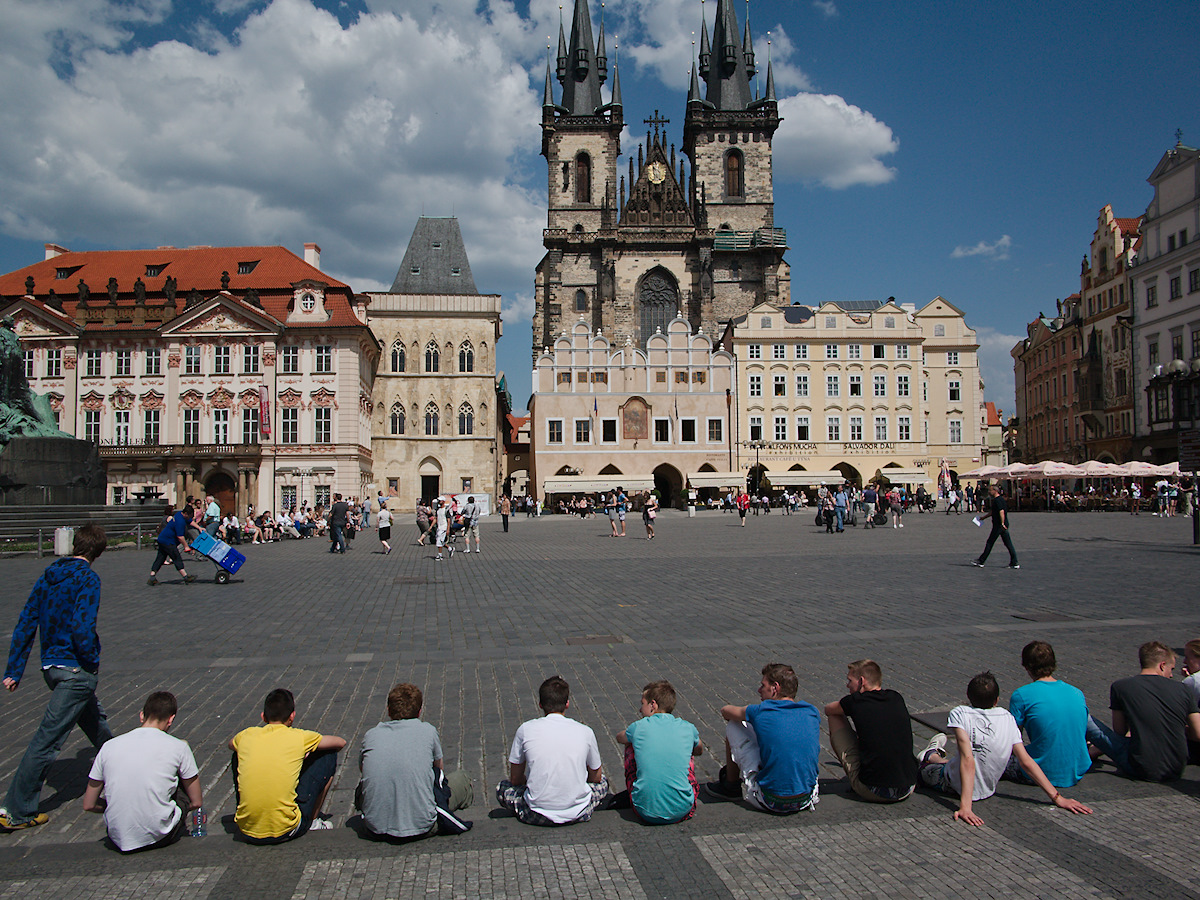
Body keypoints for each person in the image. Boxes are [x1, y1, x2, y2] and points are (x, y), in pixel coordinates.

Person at [0, 525, 113, 830]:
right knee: (47, 742)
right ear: (99, 552)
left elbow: (26, 622)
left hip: (51, 666)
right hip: (76, 670)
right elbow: (82, 626)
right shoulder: (88, 578)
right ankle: (15, 810)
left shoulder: (49, 576)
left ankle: (128, 784)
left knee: (101, 736)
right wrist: (91, 662)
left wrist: (14, 670)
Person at [918, 672, 1091, 827]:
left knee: (922, 770)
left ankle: (930, 754)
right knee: (957, 761)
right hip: (985, 788)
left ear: (969, 697)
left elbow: (968, 758)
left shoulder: (960, 713)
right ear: (997, 699)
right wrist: (1057, 798)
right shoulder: (1007, 718)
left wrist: (966, 807)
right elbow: (1026, 761)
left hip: (951, 781)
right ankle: (932, 754)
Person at [82, 691, 203, 852]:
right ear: (171, 719)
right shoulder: (179, 746)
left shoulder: (108, 746)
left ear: (141, 716)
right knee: (180, 783)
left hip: (117, 836)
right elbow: (196, 802)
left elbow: (89, 804)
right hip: (160, 836)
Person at [229, 688, 346, 843]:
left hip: (247, 830)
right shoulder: (299, 737)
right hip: (286, 830)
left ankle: (250, 813)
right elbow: (340, 742)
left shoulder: (246, 735)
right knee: (328, 755)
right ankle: (313, 820)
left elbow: (231, 744)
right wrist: (307, 751)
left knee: (237, 755)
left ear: (263, 717)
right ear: (292, 716)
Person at [357, 683, 472, 840]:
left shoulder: (371, 735)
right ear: (419, 712)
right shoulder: (428, 731)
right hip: (422, 826)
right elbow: (438, 771)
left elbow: (363, 770)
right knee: (462, 779)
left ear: (389, 711)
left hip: (375, 827)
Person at [703, 663, 820, 814]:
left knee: (734, 725)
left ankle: (730, 785)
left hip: (771, 800)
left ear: (774, 688)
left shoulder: (761, 711)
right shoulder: (811, 711)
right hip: (806, 798)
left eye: (763, 685)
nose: (759, 690)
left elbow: (726, 711)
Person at [496, 675, 609, 825]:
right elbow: (596, 777)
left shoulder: (525, 729)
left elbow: (515, 779)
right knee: (603, 782)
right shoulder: (585, 731)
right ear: (567, 703)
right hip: (578, 811)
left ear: (540, 705)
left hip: (536, 813)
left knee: (502, 788)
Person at [1085, 640, 1200, 781]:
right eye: (1172, 669)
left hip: (1139, 767)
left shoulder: (1121, 686)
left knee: (1083, 716)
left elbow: (1119, 731)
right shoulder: (1183, 689)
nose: (1171, 675)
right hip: (1175, 768)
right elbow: (1197, 733)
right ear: (1162, 666)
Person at [823, 659, 917, 803]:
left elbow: (828, 709)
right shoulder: (896, 697)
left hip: (874, 791)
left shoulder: (855, 701)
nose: (847, 685)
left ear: (862, 681)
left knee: (834, 717)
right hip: (907, 787)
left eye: (849, 681)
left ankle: (857, 781)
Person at [1004, 641, 1091, 788]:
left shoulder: (1021, 695)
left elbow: (1013, 739)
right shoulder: (1077, 692)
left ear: (1026, 667)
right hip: (1077, 770)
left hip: (1042, 771)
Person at [614, 681, 703, 824]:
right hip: (683, 809)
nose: (640, 709)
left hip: (644, 811)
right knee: (688, 751)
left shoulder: (639, 727)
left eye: (642, 704)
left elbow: (620, 737)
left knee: (630, 745)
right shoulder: (687, 727)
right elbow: (699, 749)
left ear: (653, 705)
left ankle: (645, 790)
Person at [148, 505, 198, 585]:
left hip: (162, 539)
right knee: (176, 557)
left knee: (160, 558)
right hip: (168, 541)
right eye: (190, 515)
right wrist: (186, 546)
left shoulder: (179, 514)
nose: (190, 517)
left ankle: (152, 577)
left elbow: (190, 521)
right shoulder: (180, 521)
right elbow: (180, 537)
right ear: (185, 513)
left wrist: (199, 527)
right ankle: (186, 577)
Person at [973, 483, 1018, 569]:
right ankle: (1014, 562)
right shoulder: (1000, 500)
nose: (989, 492)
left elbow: (1001, 512)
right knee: (1008, 544)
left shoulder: (998, 500)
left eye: (990, 490)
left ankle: (981, 561)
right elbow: (993, 512)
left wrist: (1002, 523)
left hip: (999, 526)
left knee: (990, 542)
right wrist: (983, 518)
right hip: (1001, 525)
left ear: (995, 491)